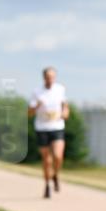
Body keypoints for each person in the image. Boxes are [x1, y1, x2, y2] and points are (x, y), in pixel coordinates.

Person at [28, 67, 69, 198]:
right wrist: (37, 106)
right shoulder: (37, 92)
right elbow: (29, 113)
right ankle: (47, 185)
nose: (50, 79)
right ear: (44, 78)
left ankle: (55, 174)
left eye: (52, 77)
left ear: (55, 77)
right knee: (46, 160)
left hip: (57, 126)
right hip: (42, 127)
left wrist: (65, 113)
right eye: (48, 77)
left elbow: (65, 107)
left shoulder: (60, 89)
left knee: (58, 156)